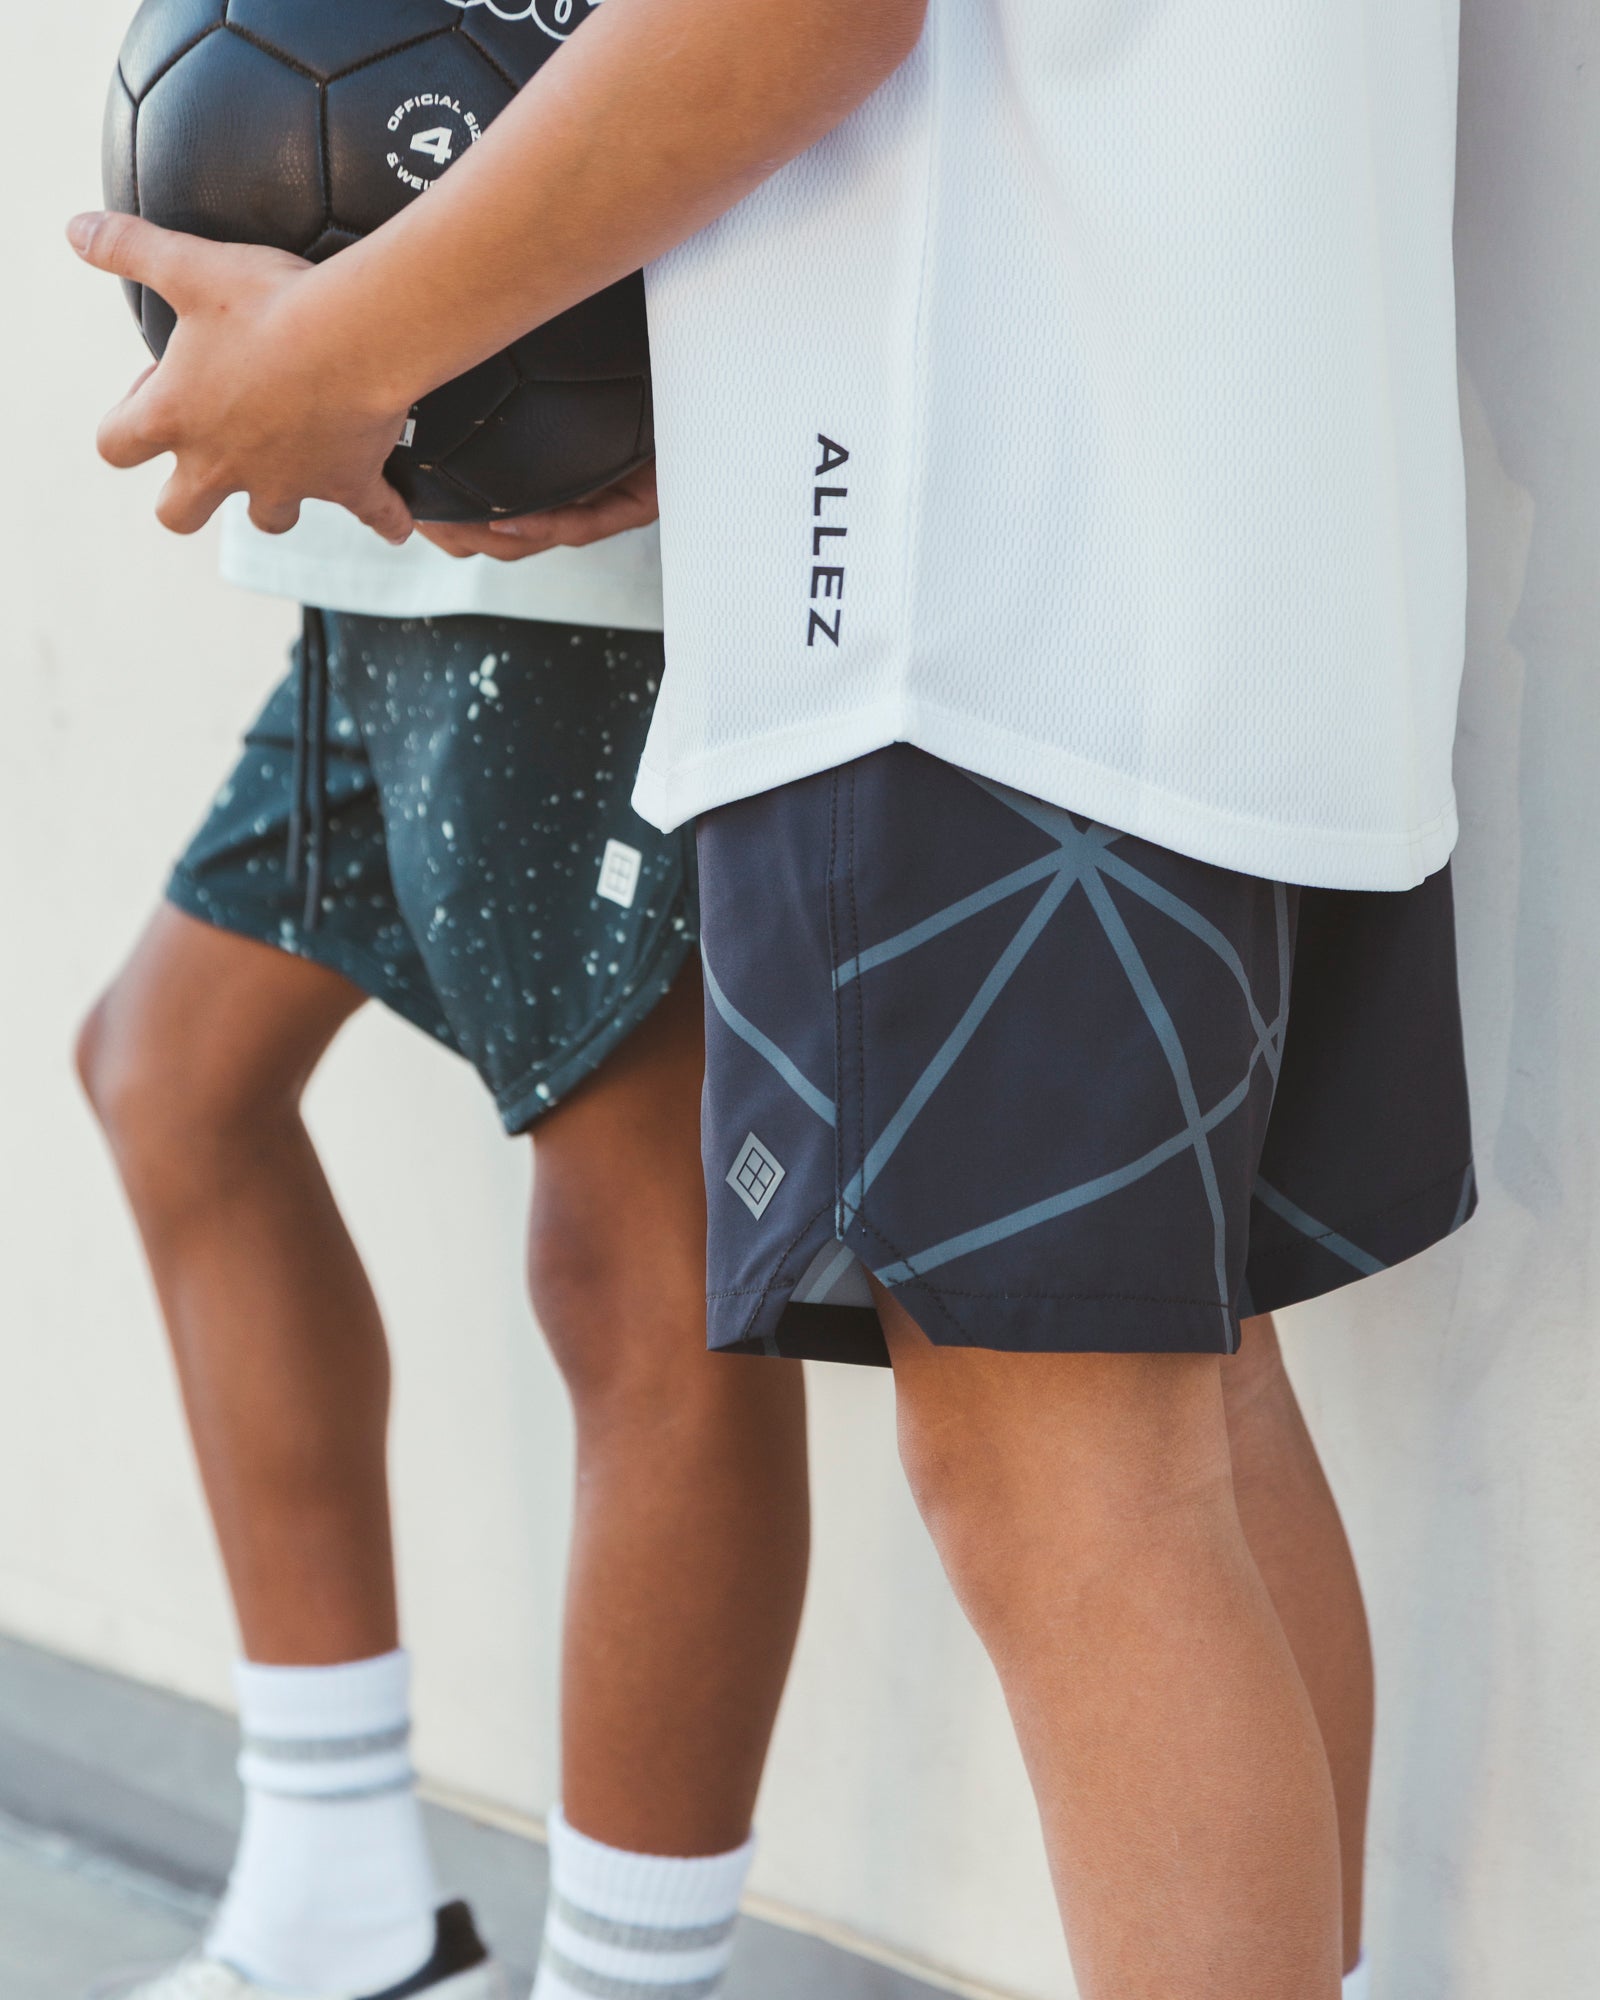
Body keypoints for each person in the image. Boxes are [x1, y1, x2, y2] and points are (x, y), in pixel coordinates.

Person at [69, 0, 1477, 1993]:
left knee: (1075, 1486)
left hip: (960, 565)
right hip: (1232, 497)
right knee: (1180, 1435)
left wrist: (354, 346)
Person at [76, 493, 811, 2000]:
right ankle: (337, 1910)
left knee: (630, 1267)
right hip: (385, 558)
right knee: (169, 1078)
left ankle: (625, 1980)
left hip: (563, 560)